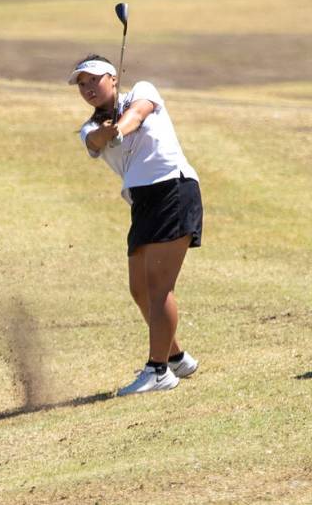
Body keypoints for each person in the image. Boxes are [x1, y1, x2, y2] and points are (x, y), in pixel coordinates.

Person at [68, 54, 203, 394]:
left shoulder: (143, 90)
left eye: (94, 79)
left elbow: (137, 114)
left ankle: (158, 371)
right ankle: (175, 357)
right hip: (143, 203)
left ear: (113, 78)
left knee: (159, 288)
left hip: (173, 188)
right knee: (140, 290)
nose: (87, 88)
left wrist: (120, 128)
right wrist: (106, 132)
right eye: (81, 84)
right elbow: (94, 142)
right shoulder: (89, 127)